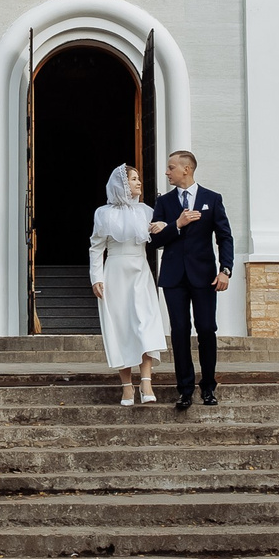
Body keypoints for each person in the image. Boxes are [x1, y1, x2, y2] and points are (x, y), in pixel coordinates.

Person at [152, 149, 233, 410]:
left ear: (186, 169)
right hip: (174, 277)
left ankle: (208, 387)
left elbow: (224, 237)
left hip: (205, 277)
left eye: (171, 167)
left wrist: (225, 270)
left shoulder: (212, 199)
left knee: (207, 328)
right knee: (179, 331)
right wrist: (177, 224)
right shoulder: (164, 203)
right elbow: (154, 240)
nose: (167, 172)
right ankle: (185, 390)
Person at [88, 163, 169, 405]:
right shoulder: (103, 213)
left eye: (138, 178)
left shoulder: (146, 211)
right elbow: (96, 247)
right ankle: (126, 386)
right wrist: (96, 277)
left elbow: (161, 239)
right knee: (121, 328)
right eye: (133, 179)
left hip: (140, 271)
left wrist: (164, 226)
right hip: (114, 273)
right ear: (121, 184)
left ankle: (146, 382)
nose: (139, 182)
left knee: (145, 324)